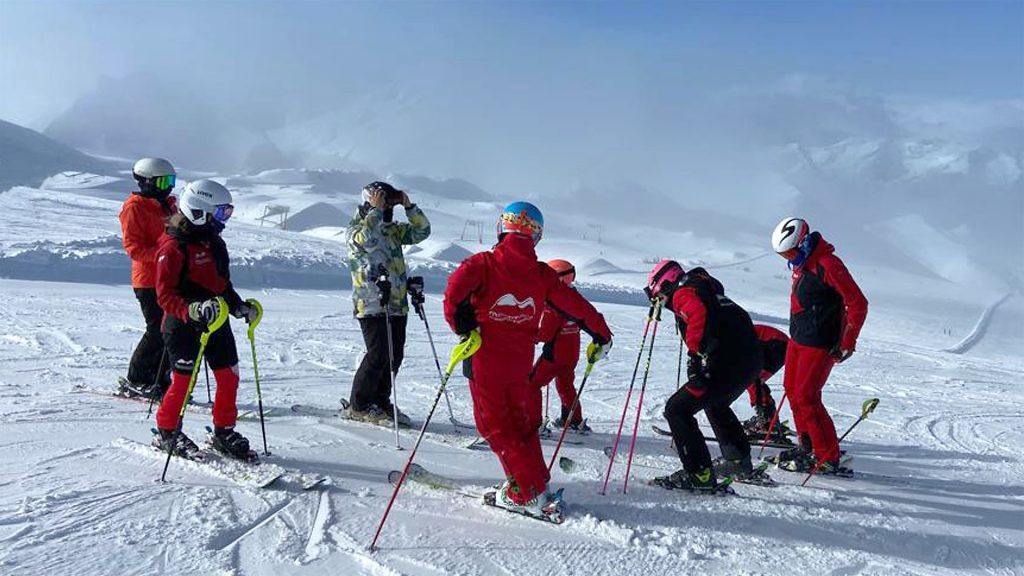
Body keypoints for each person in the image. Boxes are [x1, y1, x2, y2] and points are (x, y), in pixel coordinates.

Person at [444, 202, 612, 519]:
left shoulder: (482, 264)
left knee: (494, 427)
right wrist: (601, 333)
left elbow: (453, 292)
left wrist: (460, 322)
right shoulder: (541, 275)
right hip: (519, 362)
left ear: (502, 228)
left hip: (484, 359)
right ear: (536, 236)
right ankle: (536, 481)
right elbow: (577, 306)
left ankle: (527, 493)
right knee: (520, 424)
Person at [152, 179, 258, 459]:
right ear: (199, 211)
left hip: (217, 319)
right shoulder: (173, 247)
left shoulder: (215, 243)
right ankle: (167, 430)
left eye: (228, 213)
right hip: (183, 325)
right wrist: (193, 309)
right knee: (183, 381)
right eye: (221, 213)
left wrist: (238, 308)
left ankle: (224, 431)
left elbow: (222, 285)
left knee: (229, 377)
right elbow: (164, 296)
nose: (225, 220)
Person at [646, 261, 761, 492]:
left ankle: (699, 474)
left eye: (657, 295)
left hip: (727, 362)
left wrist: (695, 352)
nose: (660, 302)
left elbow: (698, 312)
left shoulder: (685, 292)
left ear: (665, 284)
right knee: (714, 402)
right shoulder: (705, 289)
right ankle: (737, 460)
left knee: (677, 409)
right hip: (748, 361)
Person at [770, 217, 868, 474]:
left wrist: (848, 341)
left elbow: (858, 303)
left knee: (807, 397)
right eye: (783, 255)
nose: (787, 259)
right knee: (791, 390)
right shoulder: (802, 265)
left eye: (789, 252)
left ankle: (827, 456)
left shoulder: (828, 264)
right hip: (798, 339)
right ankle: (807, 446)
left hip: (819, 342)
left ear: (802, 243)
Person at [345, 181, 431, 426]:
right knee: (378, 353)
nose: (387, 207)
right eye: (384, 201)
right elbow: (364, 240)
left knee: (395, 355)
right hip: (371, 302)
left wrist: (408, 205)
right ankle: (359, 405)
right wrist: (374, 210)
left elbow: (422, 232)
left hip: (397, 302)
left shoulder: (392, 230)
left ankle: (380, 401)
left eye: (389, 202)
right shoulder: (355, 229)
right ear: (369, 201)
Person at [117, 157, 178, 398]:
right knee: (156, 330)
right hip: (148, 280)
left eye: (171, 181)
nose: (169, 187)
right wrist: (164, 255)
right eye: (164, 182)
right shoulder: (135, 207)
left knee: (171, 331)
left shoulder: (168, 205)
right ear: (147, 182)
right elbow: (134, 248)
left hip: (171, 278)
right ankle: (137, 378)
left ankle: (160, 378)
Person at [530, 259, 592, 433]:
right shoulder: (575, 297)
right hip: (571, 353)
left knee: (532, 384)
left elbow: (546, 333)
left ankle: (534, 424)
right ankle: (573, 421)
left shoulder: (556, 304)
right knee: (565, 385)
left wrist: (529, 336)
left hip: (555, 354)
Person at [741, 324, 790, 439]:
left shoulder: (726, 338)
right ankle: (769, 418)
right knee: (755, 380)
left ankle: (766, 421)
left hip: (775, 344)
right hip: (775, 344)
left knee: (753, 380)